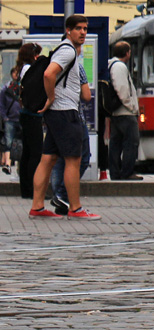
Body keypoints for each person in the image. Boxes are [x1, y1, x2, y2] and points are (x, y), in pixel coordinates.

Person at [28, 15, 100, 220]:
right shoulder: (68, 50)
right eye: (78, 28)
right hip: (65, 112)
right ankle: (75, 208)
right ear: (68, 30)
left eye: (85, 29)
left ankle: (37, 207)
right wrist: (51, 97)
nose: (83, 32)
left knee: (48, 159)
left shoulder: (64, 49)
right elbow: (49, 74)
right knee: (73, 160)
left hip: (57, 114)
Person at [108, 41, 141, 180]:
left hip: (117, 113)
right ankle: (127, 172)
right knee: (131, 142)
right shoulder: (119, 67)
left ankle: (115, 173)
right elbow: (122, 88)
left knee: (116, 143)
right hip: (125, 112)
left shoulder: (111, 65)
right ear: (127, 53)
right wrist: (132, 106)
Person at [16, 42, 44, 200]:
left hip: (26, 114)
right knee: (35, 153)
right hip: (33, 114)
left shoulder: (22, 68)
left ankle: (26, 189)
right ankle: (33, 189)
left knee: (27, 153)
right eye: (36, 54)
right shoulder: (29, 68)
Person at [2, 66, 20, 174]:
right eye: (14, 73)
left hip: (21, 118)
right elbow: (1, 103)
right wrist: (4, 116)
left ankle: (18, 165)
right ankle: (8, 164)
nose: (16, 75)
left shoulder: (23, 86)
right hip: (10, 119)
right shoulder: (6, 87)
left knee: (20, 142)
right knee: (9, 141)